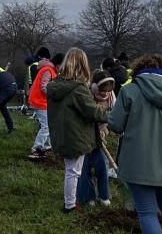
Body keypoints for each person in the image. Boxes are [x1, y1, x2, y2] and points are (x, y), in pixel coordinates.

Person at [109, 54, 162, 234]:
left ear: (139, 71)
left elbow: (115, 125)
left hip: (137, 164)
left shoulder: (129, 91)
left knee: (147, 212)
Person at [45, 49, 109, 213]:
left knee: (70, 170)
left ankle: (71, 202)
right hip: (75, 136)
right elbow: (92, 111)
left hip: (62, 134)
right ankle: (70, 205)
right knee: (74, 171)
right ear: (82, 65)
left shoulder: (55, 85)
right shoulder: (77, 88)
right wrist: (112, 116)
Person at [77, 70, 116, 207]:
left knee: (102, 165)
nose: (105, 93)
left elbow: (112, 118)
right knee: (85, 166)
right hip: (84, 136)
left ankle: (104, 196)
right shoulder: (86, 94)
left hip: (100, 136)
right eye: (102, 90)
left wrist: (104, 132)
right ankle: (88, 197)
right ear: (95, 86)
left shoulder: (111, 97)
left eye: (108, 90)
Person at [27, 47, 56, 160]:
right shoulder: (48, 70)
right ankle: (36, 148)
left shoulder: (46, 68)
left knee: (48, 124)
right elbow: (44, 88)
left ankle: (48, 145)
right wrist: (55, 93)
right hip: (40, 101)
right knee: (46, 126)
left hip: (40, 100)